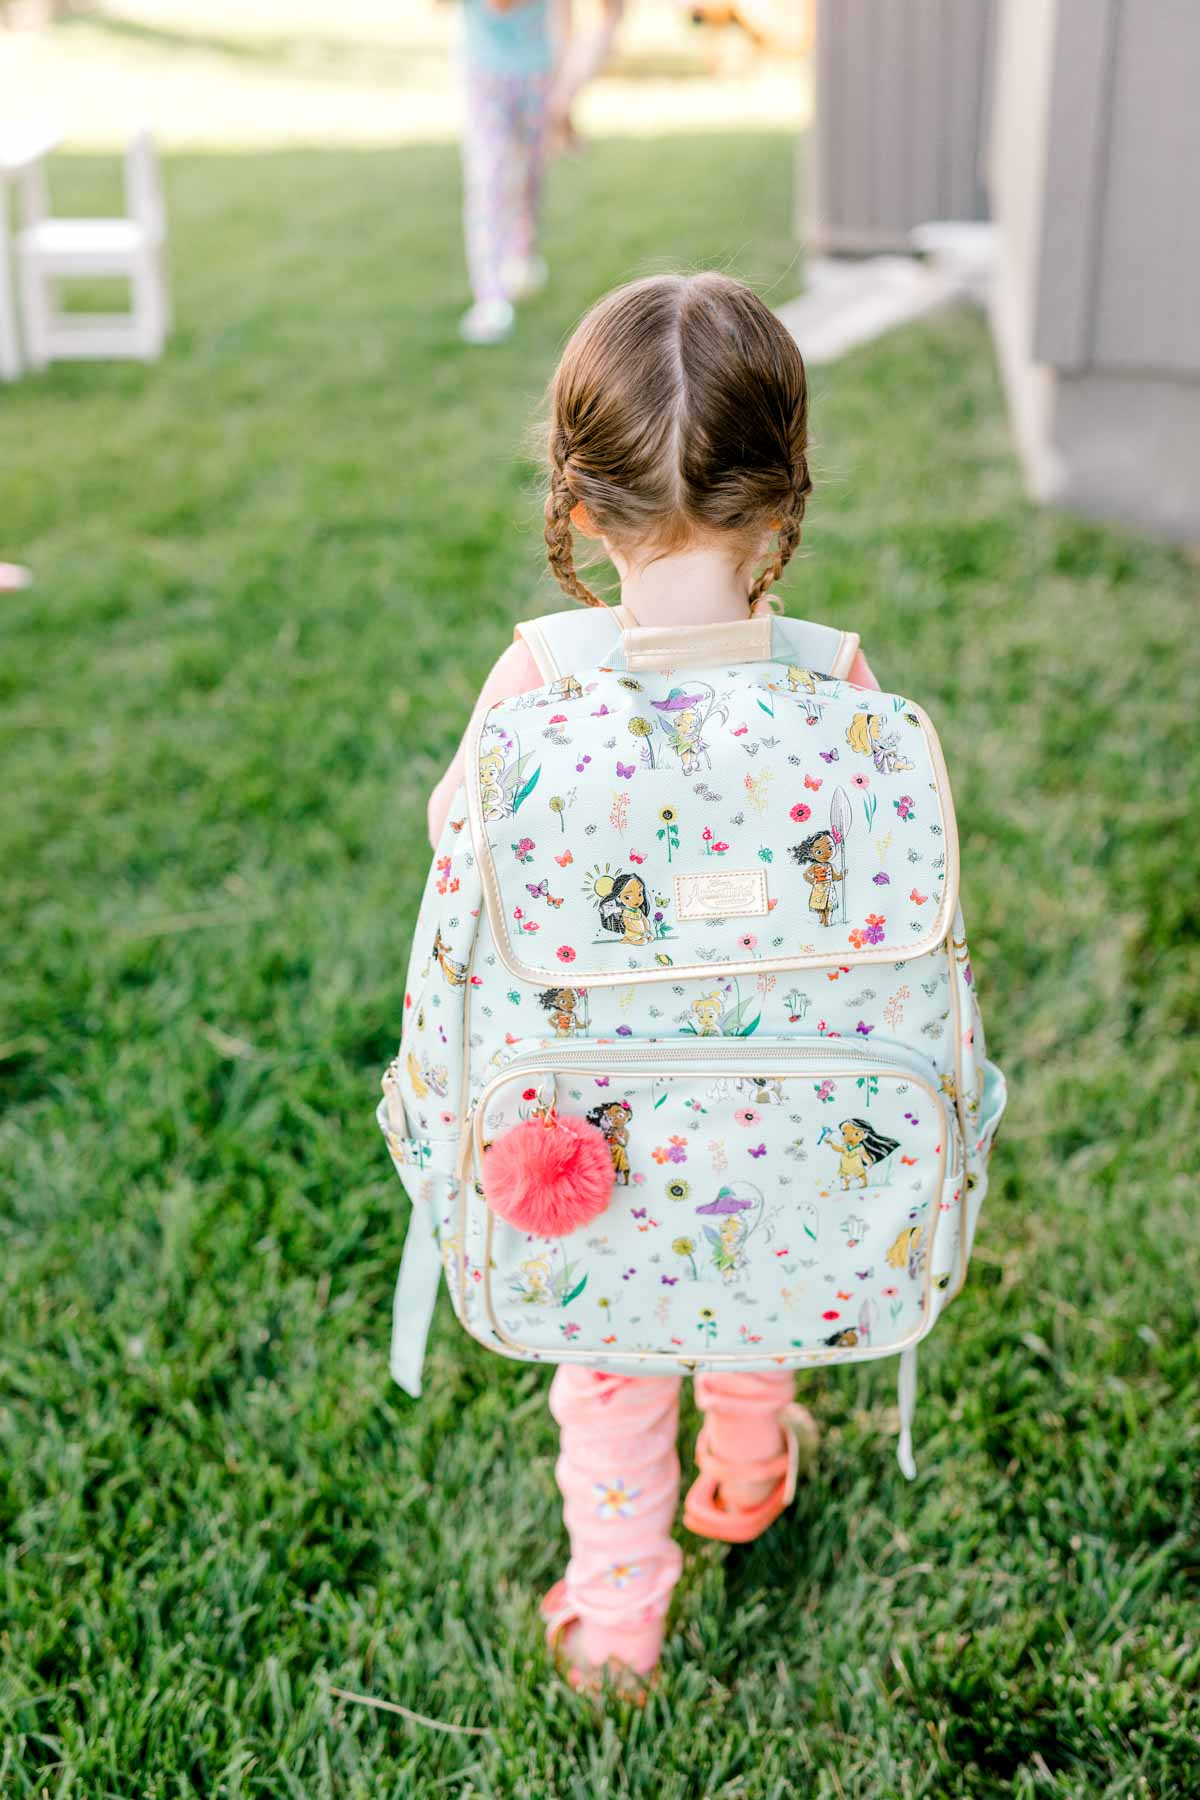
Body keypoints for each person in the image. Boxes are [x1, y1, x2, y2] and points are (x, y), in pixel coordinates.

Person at [424, 273, 880, 1691]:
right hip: (779, 1116)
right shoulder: (835, 678)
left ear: (579, 504)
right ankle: (748, 1467)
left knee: (614, 1371)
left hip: (596, 1146)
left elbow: (456, 850)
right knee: (760, 1281)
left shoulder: (538, 684)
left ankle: (619, 1621)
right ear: (785, 492)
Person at [458, 0, 561, 346]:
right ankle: (490, 298)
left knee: (531, 176)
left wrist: (564, 86)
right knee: (488, 182)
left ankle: (523, 255)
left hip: (537, 72)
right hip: (484, 73)